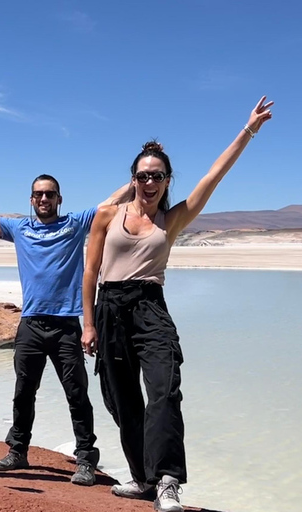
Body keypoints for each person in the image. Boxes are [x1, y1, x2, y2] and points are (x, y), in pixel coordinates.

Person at [81, 97, 273, 512]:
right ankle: (142, 479)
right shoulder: (104, 215)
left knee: (164, 392)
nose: (150, 183)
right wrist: (88, 323)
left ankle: (168, 481)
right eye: (143, 176)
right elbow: (90, 272)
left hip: (151, 308)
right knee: (121, 400)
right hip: (109, 308)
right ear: (133, 178)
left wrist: (249, 130)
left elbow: (214, 175)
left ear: (168, 181)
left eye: (158, 176)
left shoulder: (172, 221)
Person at [0, 170, 130, 485]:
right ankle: (18, 449)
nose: (44, 199)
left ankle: (86, 459)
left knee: (76, 393)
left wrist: (139, 178)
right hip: (31, 324)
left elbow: (112, 201)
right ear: (31, 199)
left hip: (66, 325)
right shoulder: (19, 228)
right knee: (24, 391)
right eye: (38, 194)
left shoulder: (75, 224)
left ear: (59, 199)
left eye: (50, 194)